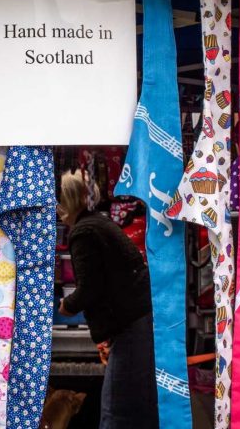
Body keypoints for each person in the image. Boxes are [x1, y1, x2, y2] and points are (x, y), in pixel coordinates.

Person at [57, 170, 159, 429]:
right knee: (138, 403)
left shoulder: (83, 232)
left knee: (118, 407)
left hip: (130, 324)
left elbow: (89, 288)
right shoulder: (98, 223)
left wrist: (67, 306)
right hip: (138, 319)